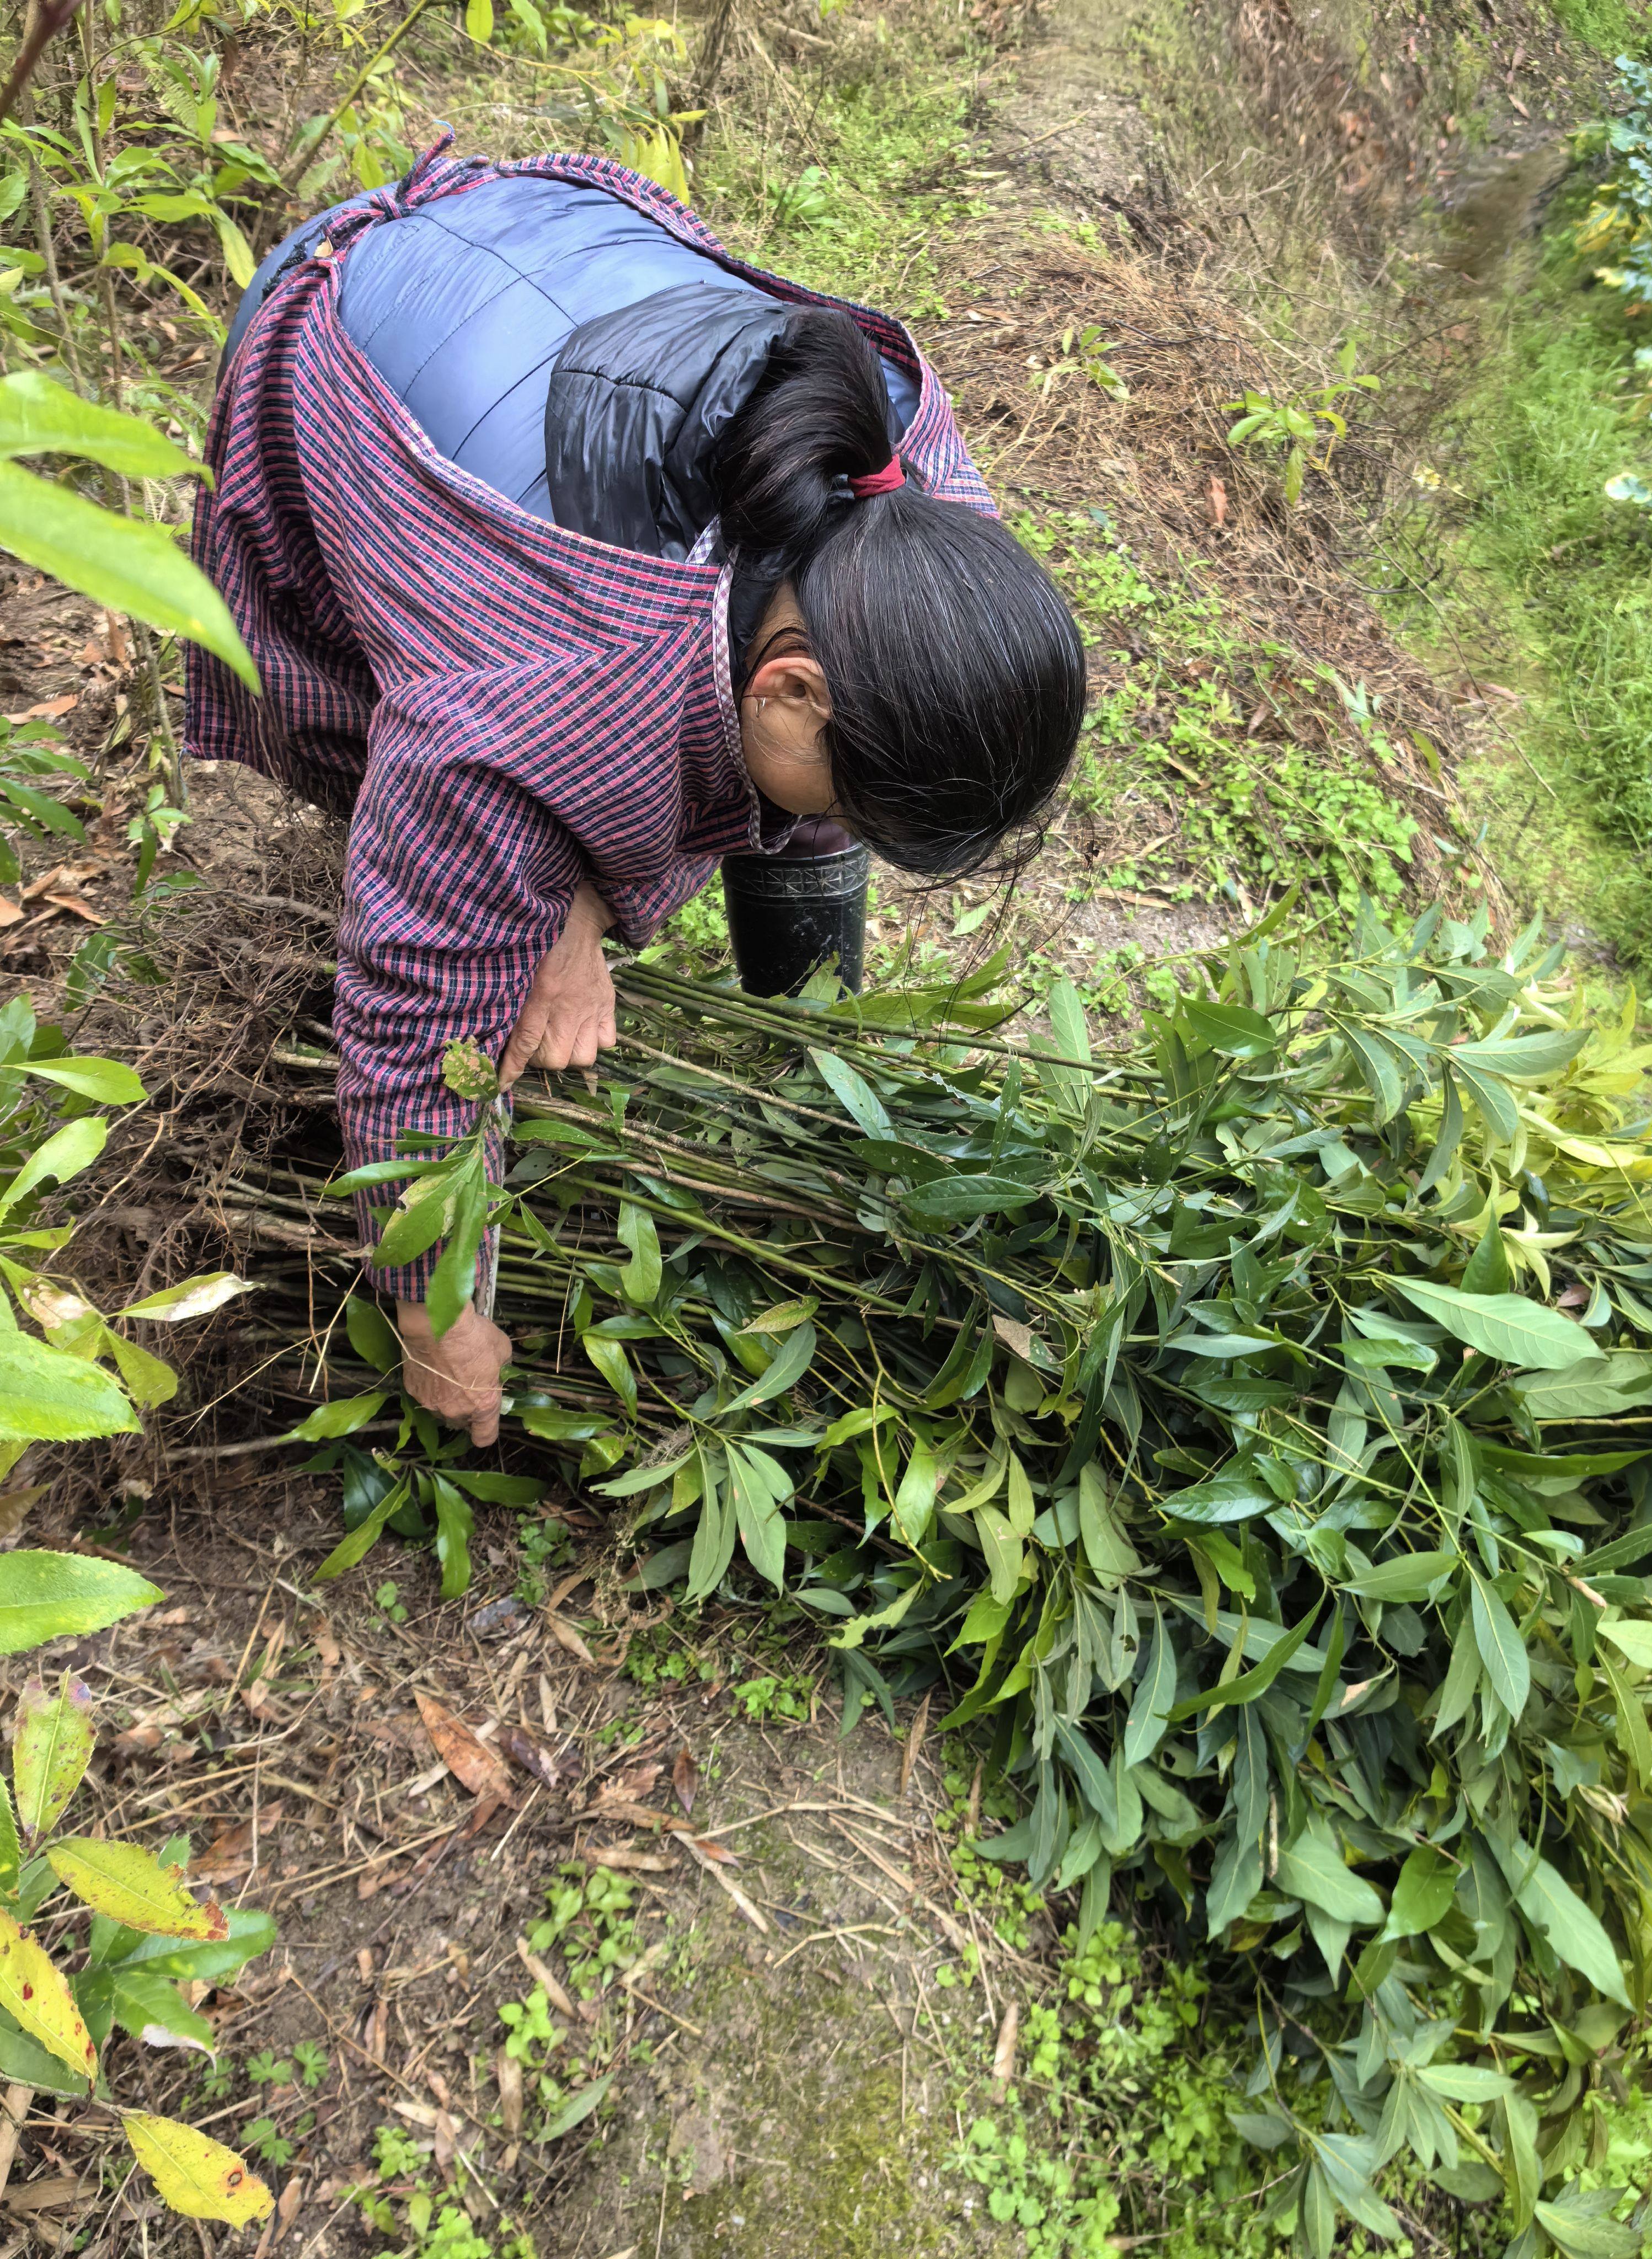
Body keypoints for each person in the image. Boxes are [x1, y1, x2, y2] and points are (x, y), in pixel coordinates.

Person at [186, 135, 1087, 1443]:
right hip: (357, 342)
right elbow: (409, 1025)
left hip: (556, 266)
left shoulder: (913, 487)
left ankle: (805, 1049)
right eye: (854, 809)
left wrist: (593, 914)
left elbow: (740, 758)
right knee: (496, 824)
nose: (841, 837)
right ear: (786, 687)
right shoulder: (525, 691)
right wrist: (441, 1315)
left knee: (767, 793)